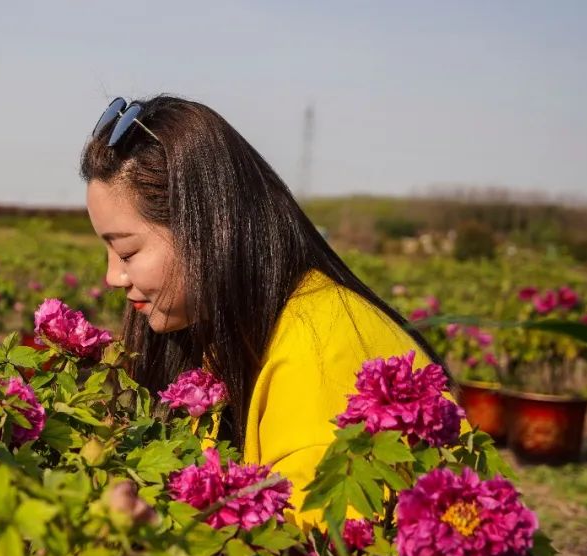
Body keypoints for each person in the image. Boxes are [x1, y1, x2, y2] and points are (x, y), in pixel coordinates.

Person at [81, 94, 460, 530]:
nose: (112, 276)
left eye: (126, 250)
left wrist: (163, 536)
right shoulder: (227, 327)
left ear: (204, 228)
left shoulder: (322, 343)